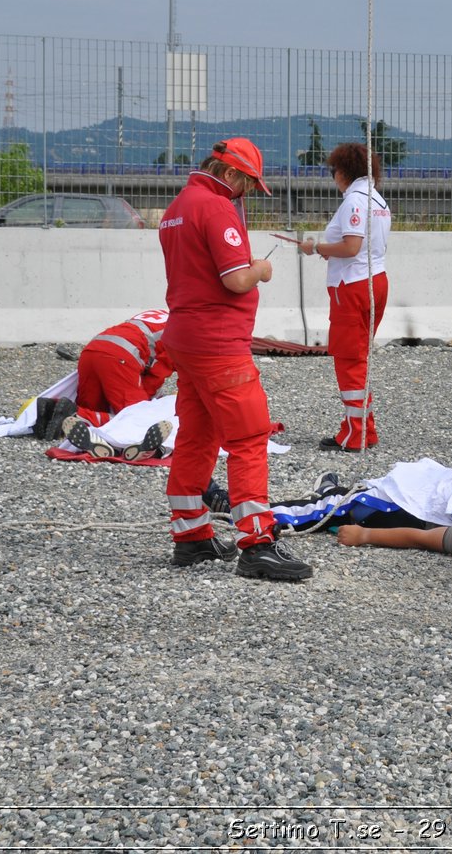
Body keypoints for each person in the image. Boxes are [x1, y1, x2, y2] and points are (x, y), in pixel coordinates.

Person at [159, 137, 312, 581]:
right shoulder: (216, 207)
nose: (246, 193)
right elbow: (235, 280)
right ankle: (257, 543)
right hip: (219, 342)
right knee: (248, 437)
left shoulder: (175, 209)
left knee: (198, 435)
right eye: (246, 183)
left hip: (184, 338)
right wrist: (261, 270)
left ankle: (190, 536)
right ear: (229, 175)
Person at [300, 142, 392, 452]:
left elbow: (351, 247)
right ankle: (363, 427)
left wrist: (318, 248)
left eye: (332, 171)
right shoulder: (378, 199)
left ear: (343, 171)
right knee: (360, 357)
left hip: (352, 286)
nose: (333, 176)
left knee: (349, 360)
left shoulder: (354, 201)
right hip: (376, 280)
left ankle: (357, 433)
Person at [32, 308, 175, 442]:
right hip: (120, 357)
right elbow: (157, 373)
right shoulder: (187, 331)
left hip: (92, 351)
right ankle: (75, 416)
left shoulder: (165, 316)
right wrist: (151, 403)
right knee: (137, 418)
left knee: (96, 411)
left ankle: (51, 410)